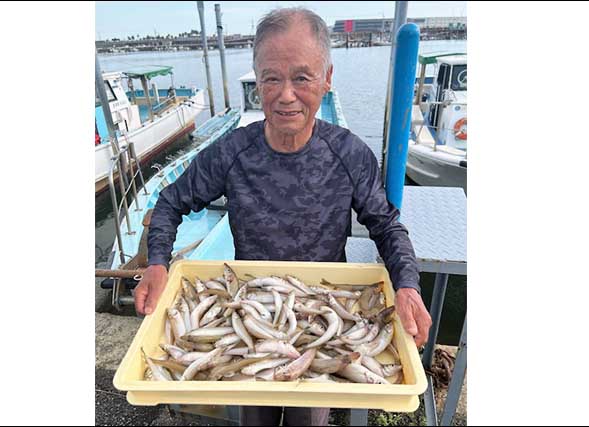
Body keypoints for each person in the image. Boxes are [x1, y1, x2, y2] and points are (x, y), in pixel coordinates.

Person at [134, 7, 432, 426]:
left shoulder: (348, 154)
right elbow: (168, 203)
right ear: (257, 80)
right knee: (254, 416)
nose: (286, 94)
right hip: (250, 310)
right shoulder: (233, 152)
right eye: (272, 78)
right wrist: (159, 262)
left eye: (302, 77)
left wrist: (407, 285)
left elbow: (385, 224)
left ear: (327, 78)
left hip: (323, 311)